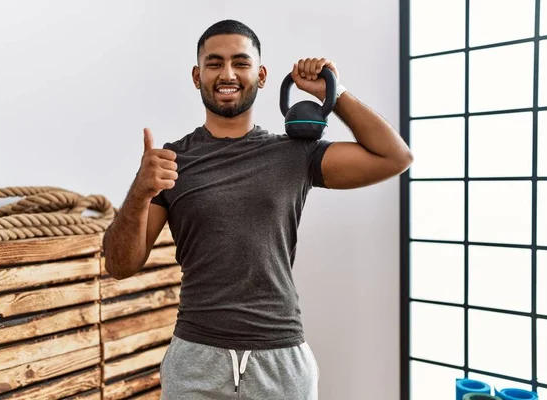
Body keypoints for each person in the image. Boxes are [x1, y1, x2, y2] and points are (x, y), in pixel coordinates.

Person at [103, 19, 413, 400]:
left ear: (262, 75)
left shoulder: (295, 154)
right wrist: (139, 190)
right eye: (214, 63)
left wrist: (335, 92)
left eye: (241, 62)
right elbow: (119, 266)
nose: (227, 73)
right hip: (196, 357)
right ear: (197, 75)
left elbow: (394, 156)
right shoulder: (172, 161)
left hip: (280, 357)